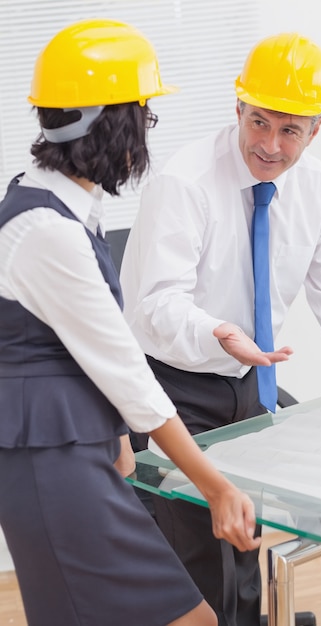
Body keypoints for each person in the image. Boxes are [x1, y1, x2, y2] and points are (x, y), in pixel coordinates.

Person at [119, 31, 321, 626]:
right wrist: (217, 331)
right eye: (259, 123)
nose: (270, 146)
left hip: (251, 384)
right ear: (237, 109)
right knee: (200, 557)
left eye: (289, 130)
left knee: (249, 545)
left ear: (315, 130)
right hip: (174, 385)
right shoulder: (184, 183)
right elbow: (153, 306)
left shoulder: (318, 187)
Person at [0, 18, 262, 626]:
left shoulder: (58, 203)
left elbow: (82, 345)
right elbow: (126, 370)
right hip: (50, 465)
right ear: (113, 123)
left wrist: (115, 438)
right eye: (143, 119)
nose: (144, 138)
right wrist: (216, 487)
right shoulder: (46, 231)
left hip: (67, 454)